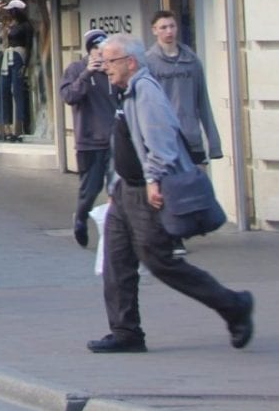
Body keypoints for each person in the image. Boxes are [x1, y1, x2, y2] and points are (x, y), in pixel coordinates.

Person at [88, 33, 253, 354]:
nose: (105, 67)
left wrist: (153, 181)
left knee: (161, 262)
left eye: (110, 61)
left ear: (130, 62)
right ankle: (126, 332)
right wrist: (113, 187)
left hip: (146, 192)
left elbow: (161, 143)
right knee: (115, 262)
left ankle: (234, 305)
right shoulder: (126, 91)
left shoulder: (146, 92)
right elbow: (122, 143)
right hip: (125, 190)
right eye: (104, 60)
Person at [143, 10, 222, 166]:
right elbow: (145, 107)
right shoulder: (148, 63)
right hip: (164, 141)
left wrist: (214, 146)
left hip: (192, 138)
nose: (169, 31)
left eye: (172, 26)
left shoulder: (192, 61)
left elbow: (203, 103)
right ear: (154, 30)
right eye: (163, 27)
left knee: (197, 188)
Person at [61, 28, 114, 248]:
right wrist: (87, 74)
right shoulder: (76, 69)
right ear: (89, 51)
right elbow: (69, 97)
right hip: (89, 141)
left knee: (116, 189)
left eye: (104, 50)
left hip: (115, 140)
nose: (100, 55)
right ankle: (81, 218)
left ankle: (114, 233)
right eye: (96, 50)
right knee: (90, 190)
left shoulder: (113, 70)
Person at [0, 0, 32, 142]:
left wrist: (25, 66)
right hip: (8, 57)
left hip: (18, 56)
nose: (9, 12)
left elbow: (29, 46)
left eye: (11, 10)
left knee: (18, 93)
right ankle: (4, 127)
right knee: (3, 91)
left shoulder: (26, 26)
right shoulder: (12, 25)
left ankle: (18, 130)